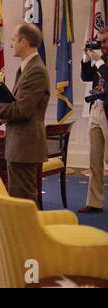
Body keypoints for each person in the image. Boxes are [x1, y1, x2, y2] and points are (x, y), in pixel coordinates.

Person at [0, 23, 50, 205]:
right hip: (20, 143)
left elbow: (22, 110)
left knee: (23, 200)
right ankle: (27, 233)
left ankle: (30, 234)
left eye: (13, 40)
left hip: (26, 144)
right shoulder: (26, 67)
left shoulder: (36, 70)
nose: (10, 45)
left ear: (23, 42)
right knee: (20, 198)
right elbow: (18, 104)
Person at [79, 27, 108, 214]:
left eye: (105, 41)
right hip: (96, 109)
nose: (102, 45)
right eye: (99, 41)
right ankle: (95, 202)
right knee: (94, 160)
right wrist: (86, 58)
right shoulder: (99, 59)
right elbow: (86, 77)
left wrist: (98, 61)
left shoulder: (102, 62)